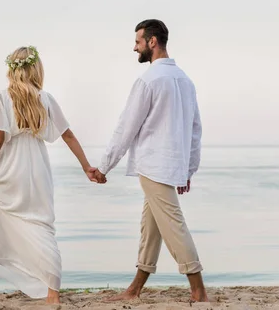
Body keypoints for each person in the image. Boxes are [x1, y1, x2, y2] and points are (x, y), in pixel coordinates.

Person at [0, 46, 105, 304]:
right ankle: (53, 293)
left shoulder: (0, 98)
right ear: (35, 68)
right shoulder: (46, 98)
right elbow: (68, 135)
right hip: (37, 169)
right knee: (42, 226)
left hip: (9, 169)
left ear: (12, 69)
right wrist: (86, 166)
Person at [89, 19, 209, 303]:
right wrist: (188, 170)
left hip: (154, 165)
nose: (135, 47)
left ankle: (199, 291)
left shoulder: (148, 80)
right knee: (151, 227)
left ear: (152, 42)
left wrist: (104, 166)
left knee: (173, 226)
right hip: (171, 165)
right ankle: (134, 289)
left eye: (138, 42)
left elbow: (126, 127)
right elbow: (195, 130)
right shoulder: (185, 80)